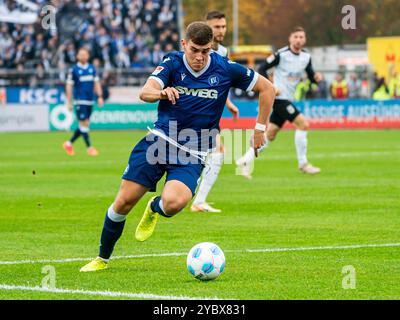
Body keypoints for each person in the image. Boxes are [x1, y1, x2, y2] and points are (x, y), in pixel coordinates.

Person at [79, 22, 275, 272]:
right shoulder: (171, 63)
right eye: (194, 50)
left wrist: (259, 129)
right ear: (184, 44)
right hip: (158, 143)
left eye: (205, 51)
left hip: (193, 153)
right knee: (123, 203)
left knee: (173, 204)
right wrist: (162, 93)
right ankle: (102, 258)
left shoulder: (225, 68)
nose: (199, 57)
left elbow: (267, 88)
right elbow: (146, 92)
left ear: (211, 48)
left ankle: (153, 208)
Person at [236, 26, 322, 179]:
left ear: (305, 39)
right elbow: (261, 68)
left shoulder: (306, 57)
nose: (298, 40)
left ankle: (246, 160)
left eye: (301, 37)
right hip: (278, 98)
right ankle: (303, 164)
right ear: (290, 39)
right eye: (295, 36)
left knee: (271, 134)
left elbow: (310, 74)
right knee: (303, 124)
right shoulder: (281, 54)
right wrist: (271, 86)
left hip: (288, 98)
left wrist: (315, 77)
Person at [190, 10, 240, 213]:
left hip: (208, 113)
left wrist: (227, 102)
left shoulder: (224, 52)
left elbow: (219, 82)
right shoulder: (194, 49)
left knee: (214, 152)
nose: (221, 30)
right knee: (214, 152)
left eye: (223, 26)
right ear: (206, 26)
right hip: (192, 110)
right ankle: (195, 200)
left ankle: (196, 200)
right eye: (216, 26)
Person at [63, 47, 104, 156]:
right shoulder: (74, 70)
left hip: (90, 100)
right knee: (84, 124)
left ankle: (68, 143)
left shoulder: (92, 68)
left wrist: (99, 96)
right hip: (80, 100)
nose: (83, 56)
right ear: (77, 56)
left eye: (85, 54)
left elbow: (96, 83)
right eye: (81, 54)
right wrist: (69, 101)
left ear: (88, 56)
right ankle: (90, 148)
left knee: (84, 125)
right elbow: (69, 86)